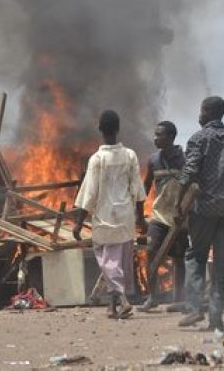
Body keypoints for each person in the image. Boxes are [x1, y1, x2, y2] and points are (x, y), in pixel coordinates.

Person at [176, 96, 224, 331]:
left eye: (201, 111)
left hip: (203, 211)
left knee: (195, 257)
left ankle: (196, 307)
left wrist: (179, 204)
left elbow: (188, 174)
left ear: (208, 112)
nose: (199, 115)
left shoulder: (198, 139)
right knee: (221, 266)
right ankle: (216, 320)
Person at [73, 110, 146, 319]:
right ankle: (113, 307)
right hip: (124, 217)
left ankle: (122, 299)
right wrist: (140, 217)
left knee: (107, 262)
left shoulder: (97, 159)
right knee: (118, 260)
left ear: (100, 130)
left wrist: (78, 223)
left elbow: (89, 193)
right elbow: (138, 189)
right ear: (118, 129)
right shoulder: (130, 155)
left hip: (104, 217)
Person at [138, 121, 189, 312]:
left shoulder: (183, 160)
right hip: (159, 216)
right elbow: (145, 187)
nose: (155, 138)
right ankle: (153, 297)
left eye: (160, 135)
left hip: (180, 218)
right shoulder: (153, 160)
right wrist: (139, 213)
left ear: (171, 137)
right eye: (155, 134)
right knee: (151, 252)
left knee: (179, 258)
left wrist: (184, 212)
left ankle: (179, 297)